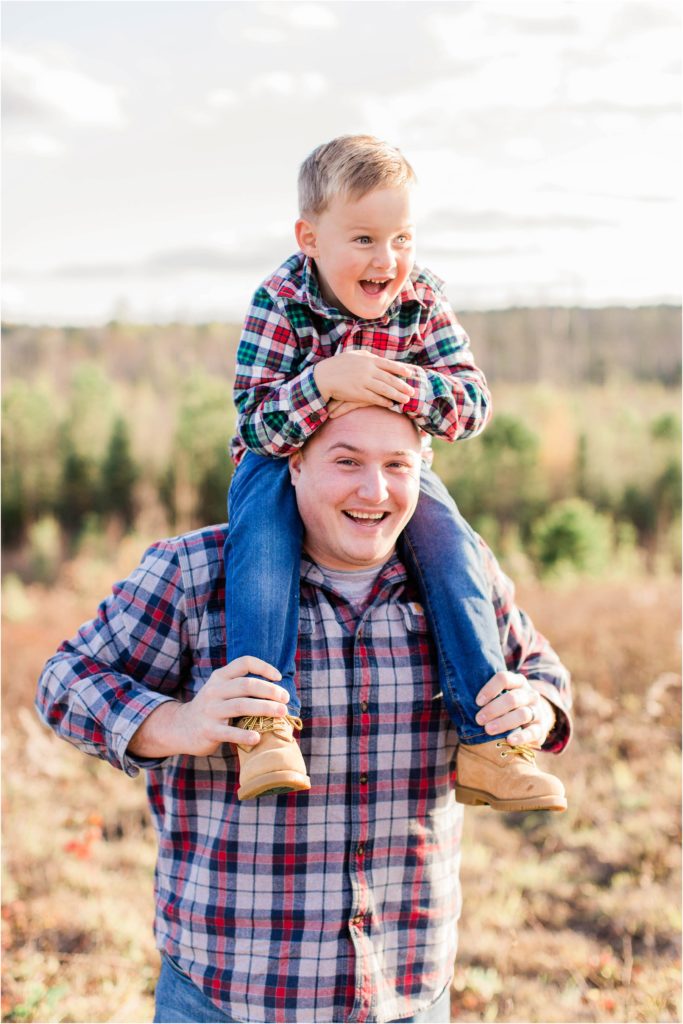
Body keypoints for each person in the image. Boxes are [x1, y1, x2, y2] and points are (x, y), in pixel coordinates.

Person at [36, 407, 572, 1024]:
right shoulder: (195, 571)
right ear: (294, 463)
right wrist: (176, 724)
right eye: (346, 461)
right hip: (229, 998)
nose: (374, 491)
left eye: (398, 465)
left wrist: (538, 709)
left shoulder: (461, 576)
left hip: (408, 993)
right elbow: (64, 682)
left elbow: (543, 671)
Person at [224, 133, 566, 808]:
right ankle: (262, 725)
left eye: (402, 238)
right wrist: (324, 381)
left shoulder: (422, 300)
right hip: (281, 463)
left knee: (453, 549)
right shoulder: (279, 299)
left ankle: (488, 741)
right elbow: (255, 423)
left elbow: (470, 407)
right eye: (363, 240)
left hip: (391, 466)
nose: (387, 261)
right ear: (309, 237)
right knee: (260, 547)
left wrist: (393, 385)